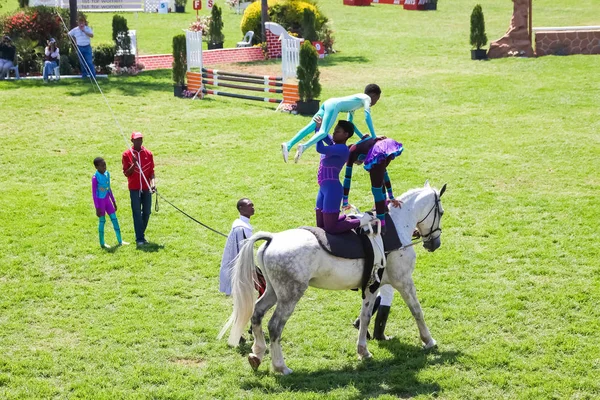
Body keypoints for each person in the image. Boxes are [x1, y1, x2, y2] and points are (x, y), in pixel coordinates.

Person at [281, 83, 382, 163]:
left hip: (329, 103)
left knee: (310, 127)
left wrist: (361, 137)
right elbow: (367, 116)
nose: (375, 102)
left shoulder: (356, 103)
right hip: (334, 106)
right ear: (373, 95)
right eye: (377, 100)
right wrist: (373, 136)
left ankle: (288, 145)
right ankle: (304, 146)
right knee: (324, 131)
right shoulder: (366, 98)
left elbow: (349, 124)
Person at [315, 120, 374, 234]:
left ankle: (363, 220)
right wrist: (321, 125)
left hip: (332, 190)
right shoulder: (334, 145)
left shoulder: (342, 149)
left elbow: (320, 148)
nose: (334, 133)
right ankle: (343, 218)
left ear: (346, 135)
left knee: (331, 228)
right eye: (334, 131)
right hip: (323, 189)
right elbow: (325, 136)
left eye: (338, 131)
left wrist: (318, 130)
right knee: (321, 226)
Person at [342, 137, 404, 230]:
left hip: (378, 148)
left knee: (376, 189)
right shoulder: (364, 149)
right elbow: (385, 176)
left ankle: (381, 224)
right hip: (388, 144)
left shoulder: (350, 153)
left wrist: (345, 201)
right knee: (378, 178)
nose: (356, 163)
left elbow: (347, 179)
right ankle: (384, 207)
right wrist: (391, 197)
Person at [220, 198, 265, 296]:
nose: (252, 208)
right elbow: (240, 250)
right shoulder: (240, 228)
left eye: (252, 205)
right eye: (249, 206)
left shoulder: (243, 225)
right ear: (241, 208)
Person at [122, 131, 155, 246]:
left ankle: (140, 233)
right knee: (136, 212)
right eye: (136, 140)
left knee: (146, 212)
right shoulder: (126, 155)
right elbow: (127, 173)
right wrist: (134, 164)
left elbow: (151, 172)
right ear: (132, 141)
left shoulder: (148, 154)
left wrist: (153, 184)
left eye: (140, 139)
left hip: (146, 188)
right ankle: (140, 238)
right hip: (134, 189)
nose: (138, 141)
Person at [92, 157, 127, 249]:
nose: (104, 167)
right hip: (101, 202)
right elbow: (94, 194)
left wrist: (114, 201)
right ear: (96, 167)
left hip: (107, 201)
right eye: (102, 165)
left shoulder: (107, 174)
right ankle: (102, 243)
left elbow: (109, 188)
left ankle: (120, 241)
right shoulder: (95, 178)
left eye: (105, 165)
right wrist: (97, 207)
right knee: (102, 221)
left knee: (114, 219)